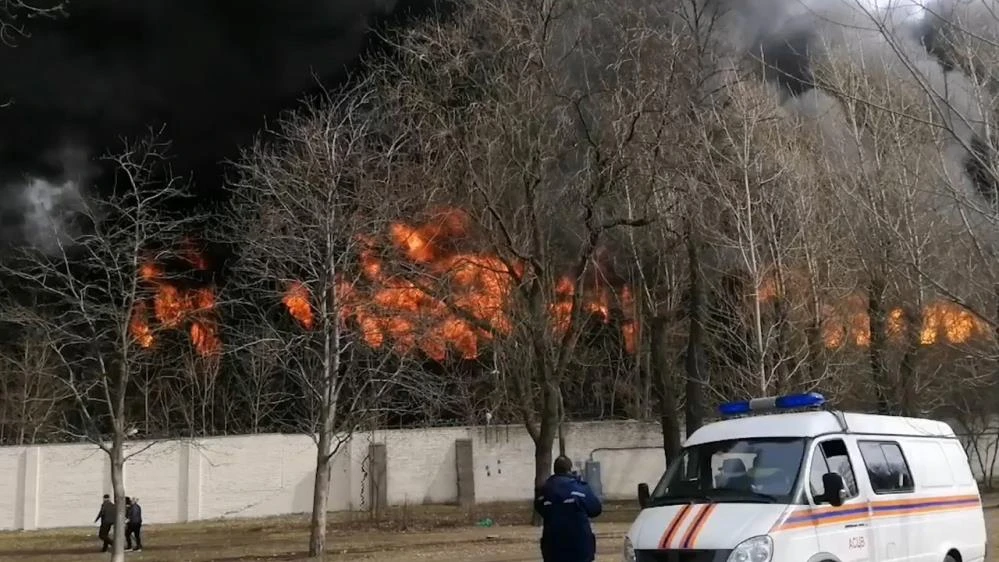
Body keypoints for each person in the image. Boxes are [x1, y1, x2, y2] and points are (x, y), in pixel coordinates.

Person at [534, 456, 603, 562]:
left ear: (555, 470)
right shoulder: (580, 489)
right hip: (579, 547)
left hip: (553, 548)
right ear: (570, 469)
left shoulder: (544, 491)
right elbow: (596, 509)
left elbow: (539, 508)